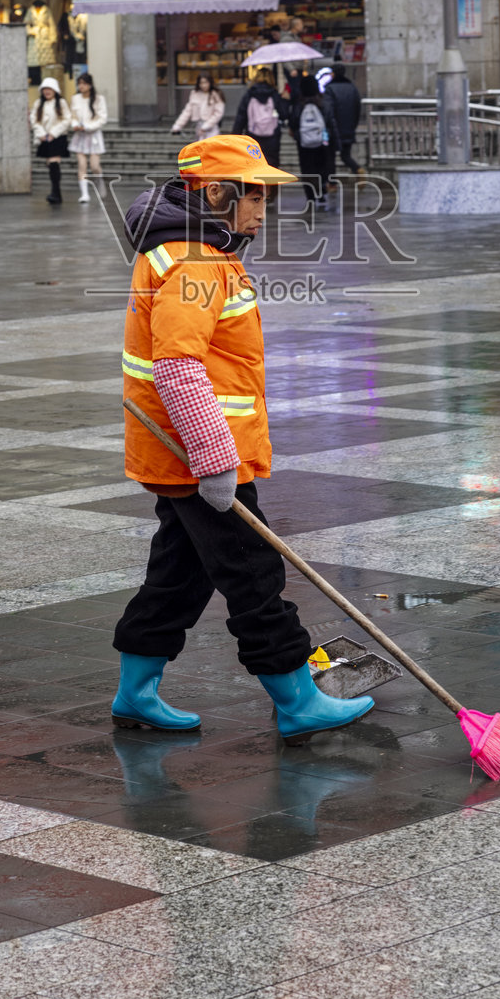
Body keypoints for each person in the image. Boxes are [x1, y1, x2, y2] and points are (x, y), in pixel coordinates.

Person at [111, 134, 375, 743]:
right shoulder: (194, 264)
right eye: (253, 195)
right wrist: (213, 460)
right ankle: (297, 700)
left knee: (179, 574)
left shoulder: (196, 253)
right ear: (217, 194)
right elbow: (178, 366)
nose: (263, 209)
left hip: (184, 454)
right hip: (200, 457)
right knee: (254, 574)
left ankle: (136, 692)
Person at [289, 72, 339, 205]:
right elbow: (331, 123)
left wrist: (297, 135)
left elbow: (293, 122)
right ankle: (321, 191)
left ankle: (310, 195)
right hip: (322, 142)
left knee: (307, 168)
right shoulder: (323, 103)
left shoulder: (298, 104)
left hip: (304, 143)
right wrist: (335, 142)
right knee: (321, 166)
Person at [29, 77, 72, 206]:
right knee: (50, 163)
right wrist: (41, 134)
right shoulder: (38, 103)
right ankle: (56, 193)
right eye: (44, 89)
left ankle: (55, 192)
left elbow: (66, 119)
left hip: (57, 137)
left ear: (55, 90)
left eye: (49, 89)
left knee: (54, 162)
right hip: (44, 138)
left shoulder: (61, 102)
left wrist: (53, 133)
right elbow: (34, 119)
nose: (47, 91)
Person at [233, 68, 288, 168]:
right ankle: (272, 184)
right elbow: (284, 114)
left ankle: (255, 184)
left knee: (254, 165)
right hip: (272, 137)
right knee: (271, 166)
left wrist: (235, 136)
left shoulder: (249, 95)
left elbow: (241, 117)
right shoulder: (274, 94)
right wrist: (284, 100)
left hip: (253, 137)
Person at [69, 71, 107, 203]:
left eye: (84, 84)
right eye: (79, 84)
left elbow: (102, 118)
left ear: (90, 85)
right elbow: (72, 116)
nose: (81, 86)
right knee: (82, 165)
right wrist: (75, 125)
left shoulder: (98, 99)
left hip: (94, 136)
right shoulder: (75, 98)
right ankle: (85, 194)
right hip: (80, 136)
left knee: (95, 166)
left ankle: (99, 181)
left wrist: (87, 126)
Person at [324, 64, 362, 175]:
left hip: (334, 129)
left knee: (330, 157)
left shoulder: (329, 88)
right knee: (345, 156)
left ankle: (332, 183)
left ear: (333, 73)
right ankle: (357, 169)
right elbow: (357, 108)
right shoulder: (352, 87)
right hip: (349, 127)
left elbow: (328, 111)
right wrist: (353, 125)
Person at [172, 74, 226, 139]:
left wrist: (206, 126)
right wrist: (178, 125)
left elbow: (218, 113)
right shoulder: (195, 93)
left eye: (205, 82)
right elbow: (187, 111)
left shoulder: (216, 94)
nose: (204, 85)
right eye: (201, 83)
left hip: (212, 129)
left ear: (210, 82)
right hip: (199, 128)